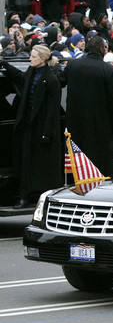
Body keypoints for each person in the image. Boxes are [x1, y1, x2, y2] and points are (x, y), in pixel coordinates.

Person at [0, 45, 62, 208]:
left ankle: (38, 198)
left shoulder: (51, 80)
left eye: (33, 56)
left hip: (41, 129)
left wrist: (46, 133)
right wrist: (5, 65)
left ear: (42, 59)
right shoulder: (32, 72)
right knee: (25, 162)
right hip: (27, 126)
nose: (30, 58)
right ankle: (24, 195)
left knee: (40, 166)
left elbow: (52, 111)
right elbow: (20, 77)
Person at [59, 36, 113, 177]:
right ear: (101, 49)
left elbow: (58, 82)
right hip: (100, 127)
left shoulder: (73, 65)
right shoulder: (109, 71)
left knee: (78, 169)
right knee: (98, 169)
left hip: (75, 125)